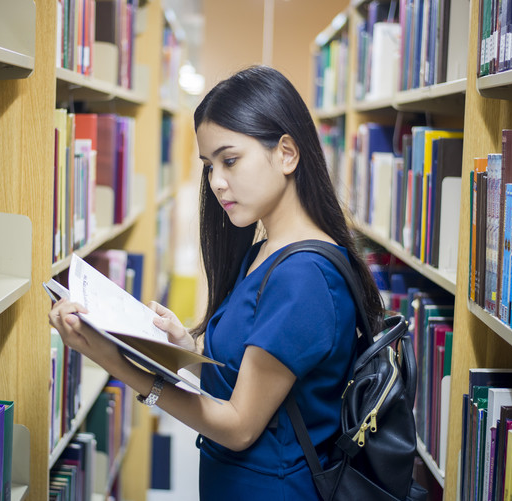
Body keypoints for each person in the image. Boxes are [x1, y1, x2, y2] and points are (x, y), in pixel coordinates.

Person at [48, 65, 384, 499]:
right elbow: (253, 373)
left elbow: (241, 426)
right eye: (209, 166)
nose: (216, 182)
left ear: (287, 153)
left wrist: (113, 361)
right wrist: (185, 350)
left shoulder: (304, 277)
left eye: (230, 160)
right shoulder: (265, 250)